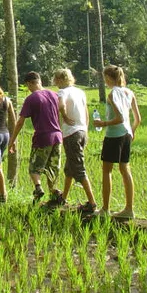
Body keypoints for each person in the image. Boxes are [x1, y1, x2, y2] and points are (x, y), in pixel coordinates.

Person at [93, 65, 141, 219]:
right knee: (125, 170)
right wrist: (132, 131)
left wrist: (103, 124)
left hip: (114, 135)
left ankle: (105, 209)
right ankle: (129, 209)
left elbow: (119, 118)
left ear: (108, 78)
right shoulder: (129, 92)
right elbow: (137, 119)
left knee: (107, 171)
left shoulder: (112, 94)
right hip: (126, 134)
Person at [9, 71, 63, 205]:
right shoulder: (54, 95)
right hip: (57, 136)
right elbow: (61, 115)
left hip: (42, 137)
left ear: (29, 83)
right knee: (53, 168)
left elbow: (20, 122)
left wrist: (12, 140)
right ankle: (53, 194)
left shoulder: (32, 98)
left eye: (28, 86)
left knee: (34, 167)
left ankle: (38, 188)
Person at [53, 68, 98, 214]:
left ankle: (92, 203)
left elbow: (60, 105)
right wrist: (85, 129)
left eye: (56, 80)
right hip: (82, 131)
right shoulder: (80, 92)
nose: (55, 83)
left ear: (60, 79)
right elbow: (86, 112)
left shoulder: (63, 92)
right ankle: (63, 197)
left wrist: (64, 117)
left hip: (71, 134)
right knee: (70, 168)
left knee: (78, 169)